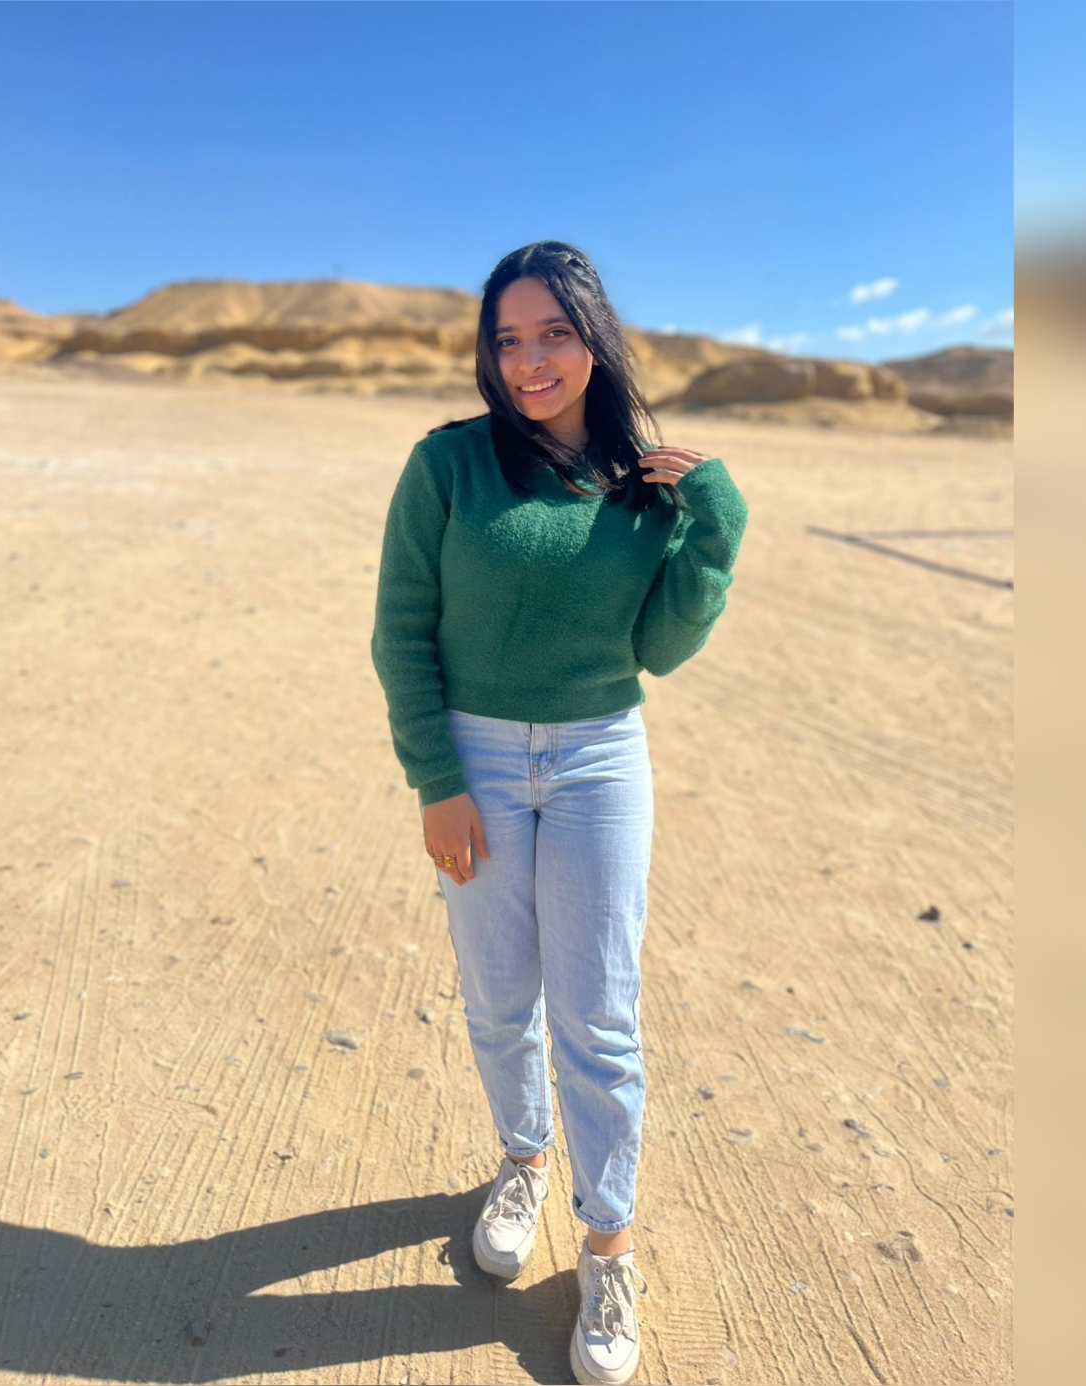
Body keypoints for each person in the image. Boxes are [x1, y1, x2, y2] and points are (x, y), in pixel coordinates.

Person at [370, 240, 749, 1386]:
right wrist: (435, 779)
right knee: (500, 998)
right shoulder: (448, 464)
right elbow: (402, 631)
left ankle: (608, 1243)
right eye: (508, 339)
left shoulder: (645, 484)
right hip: (477, 761)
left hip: (599, 758)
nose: (529, 360)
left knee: (601, 1016)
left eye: (553, 333)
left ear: (595, 339)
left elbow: (659, 649)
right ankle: (526, 1161)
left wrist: (714, 524)